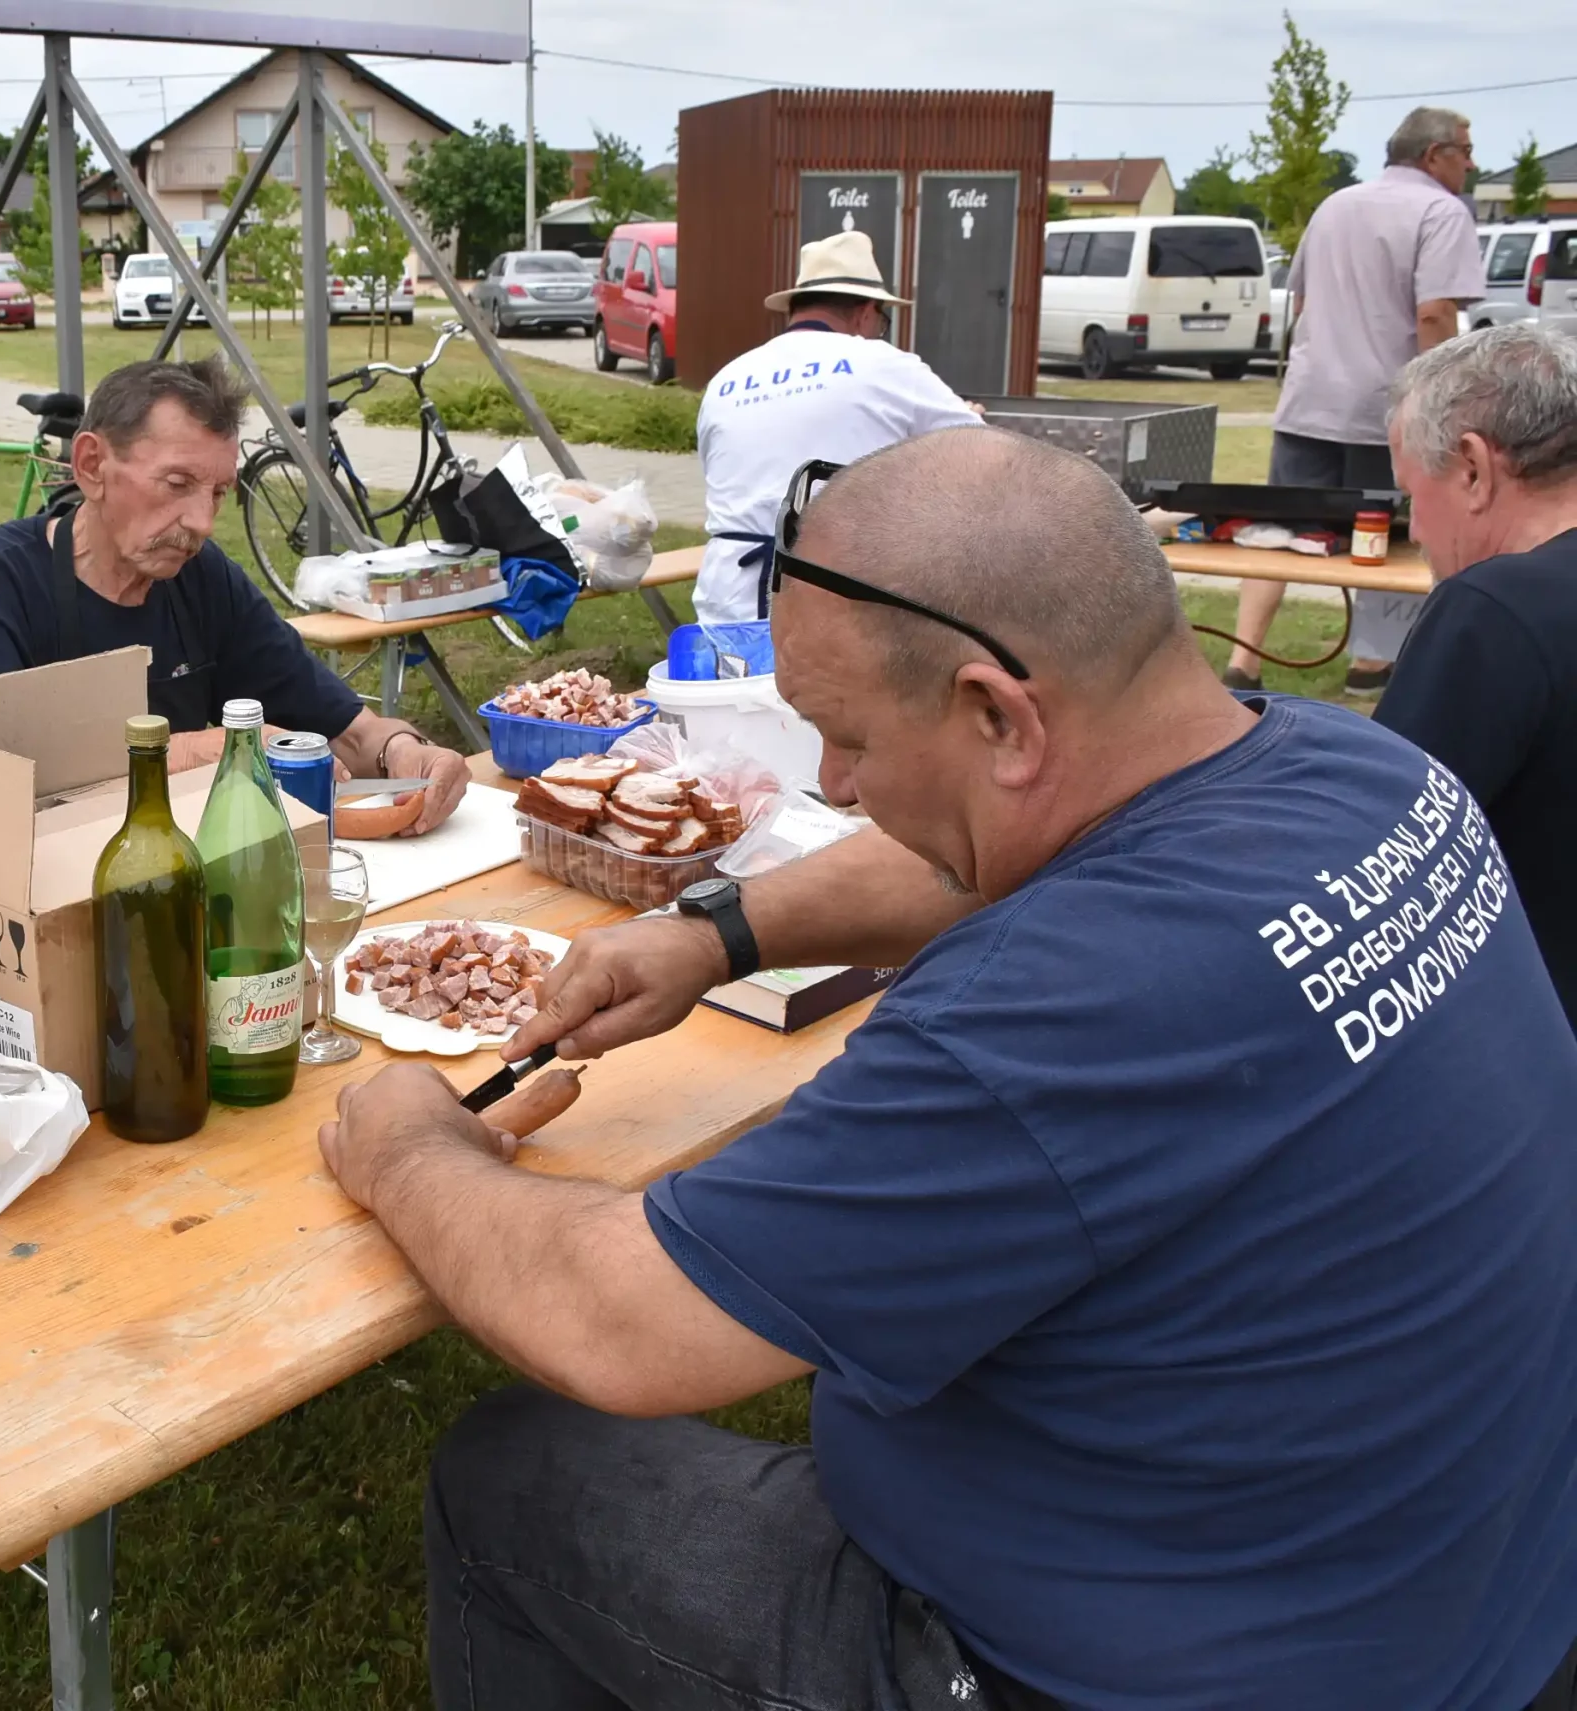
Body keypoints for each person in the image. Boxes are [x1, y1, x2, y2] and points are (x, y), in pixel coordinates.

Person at [318, 428, 1577, 1708]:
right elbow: (992, 850)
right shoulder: (1359, 770)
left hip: (1133, 1671)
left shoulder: (1039, 1014)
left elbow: (620, 1325)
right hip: (1470, 1608)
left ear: (996, 713)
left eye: (846, 737)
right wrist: (716, 932)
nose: (832, 783)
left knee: (515, 1474)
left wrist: (408, 1147)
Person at [0, 355, 469, 833]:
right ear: (91, 465)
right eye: (178, 485)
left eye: (219, 493)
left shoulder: (202, 579)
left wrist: (402, 751)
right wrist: (197, 752)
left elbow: (339, 729)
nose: (201, 522)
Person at [1226, 105, 1485, 694]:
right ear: (1433, 155)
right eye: (1464, 151)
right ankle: (1371, 667)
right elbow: (1435, 313)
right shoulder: (1442, 211)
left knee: (1275, 531)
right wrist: (1441, 403)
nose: (1471, 163)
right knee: (1395, 536)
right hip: (1387, 410)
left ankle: (1242, 661)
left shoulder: (1335, 205)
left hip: (1309, 402)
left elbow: (1302, 301)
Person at [1374, 324, 1577, 1027]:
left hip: (1532, 1040)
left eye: (1409, 496)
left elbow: (1378, 837)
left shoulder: (1493, 612)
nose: (1417, 532)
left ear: (1471, 468)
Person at [690, 229, 983, 624]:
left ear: (795, 308)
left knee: (736, 687)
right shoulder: (884, 363)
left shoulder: (728, 378)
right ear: (865, 312)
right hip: (833, 586)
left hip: (729, 595)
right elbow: (981, 450)